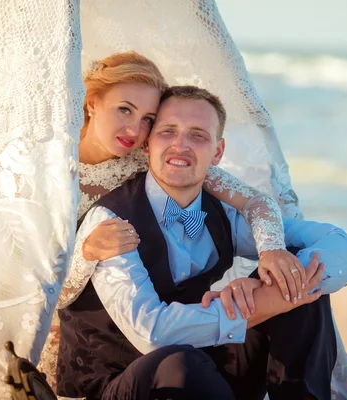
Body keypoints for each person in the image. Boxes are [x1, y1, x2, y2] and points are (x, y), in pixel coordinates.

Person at [56, 85, 347, 399]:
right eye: (168, 131)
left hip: (207, 368)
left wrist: (278, 290)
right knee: (179, 363)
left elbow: (340, 245)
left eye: (198, 135)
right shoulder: (112, 220)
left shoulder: (224, 215)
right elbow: (152, 333)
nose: (180, 145)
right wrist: (260, 305)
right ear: (147, 145)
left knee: (293, 270)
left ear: (218, 152)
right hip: (121, 383)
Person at [38, 51, 308, 389]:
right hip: (73, 334)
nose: (135, 129)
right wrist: (86, 253)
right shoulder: (47, 175)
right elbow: (42, 294)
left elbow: (256, 201)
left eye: (149, 119)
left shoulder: (155, 155)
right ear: (91, 102)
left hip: (145, 319)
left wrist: (271, 250)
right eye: (125, 109)